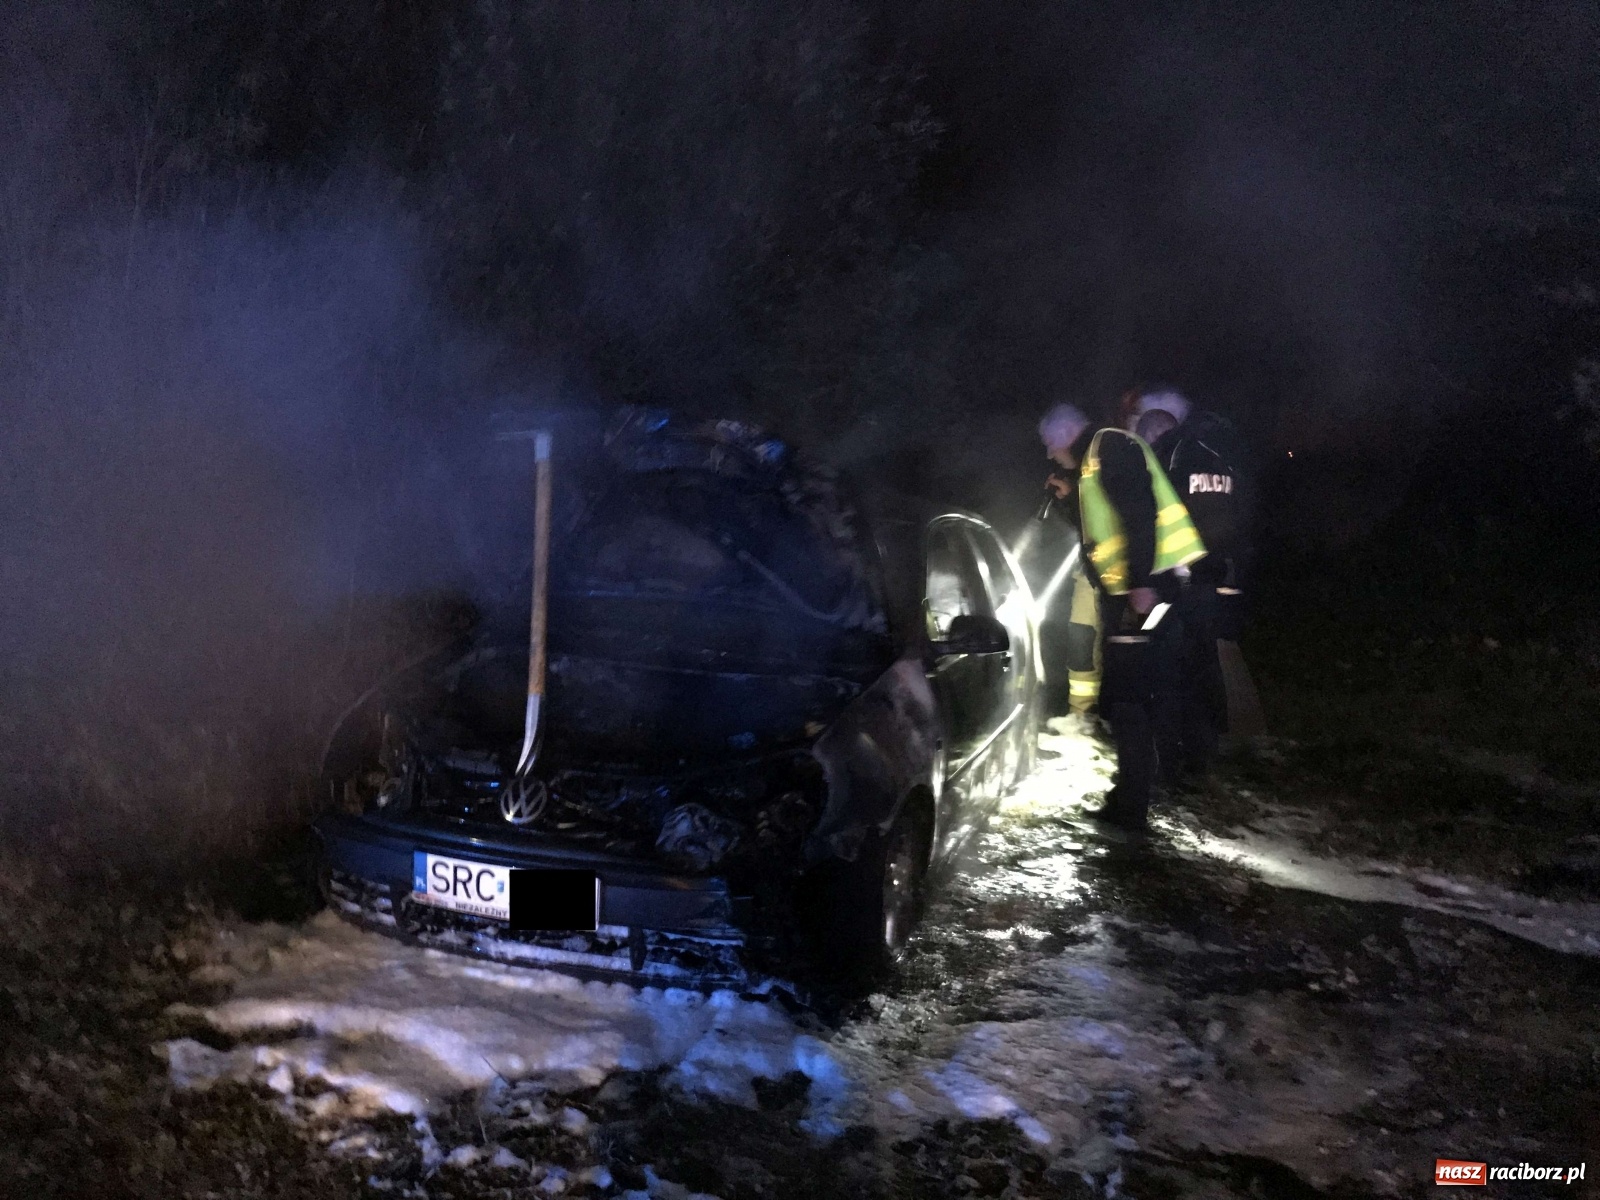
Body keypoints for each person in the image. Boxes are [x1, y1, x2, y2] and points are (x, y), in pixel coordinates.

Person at [1038, 402, 1206, 830]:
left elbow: (1138, 514)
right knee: (1132, 695)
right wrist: (1066, 499)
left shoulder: (1108, 447)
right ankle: (1135, 791)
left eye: (1048, 444)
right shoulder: (1096, 460)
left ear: (1062, 435)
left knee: (1129, 698)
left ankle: (1132, 804)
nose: (1049, 454)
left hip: (1142, 595)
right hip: (1129, 595)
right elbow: (1100, 528)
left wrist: (1141, 583)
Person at [1131, 388, 1254, 780]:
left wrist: (1150, 579)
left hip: (1178, 583)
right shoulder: (1216, 455)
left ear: (1153, 434)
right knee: (1204, 667)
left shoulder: (1169, 455)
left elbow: (1156, 519)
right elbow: (1241, 514)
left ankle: (1170, 761)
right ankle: (1203, 754)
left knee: (1167, 670)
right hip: (1216, 578)